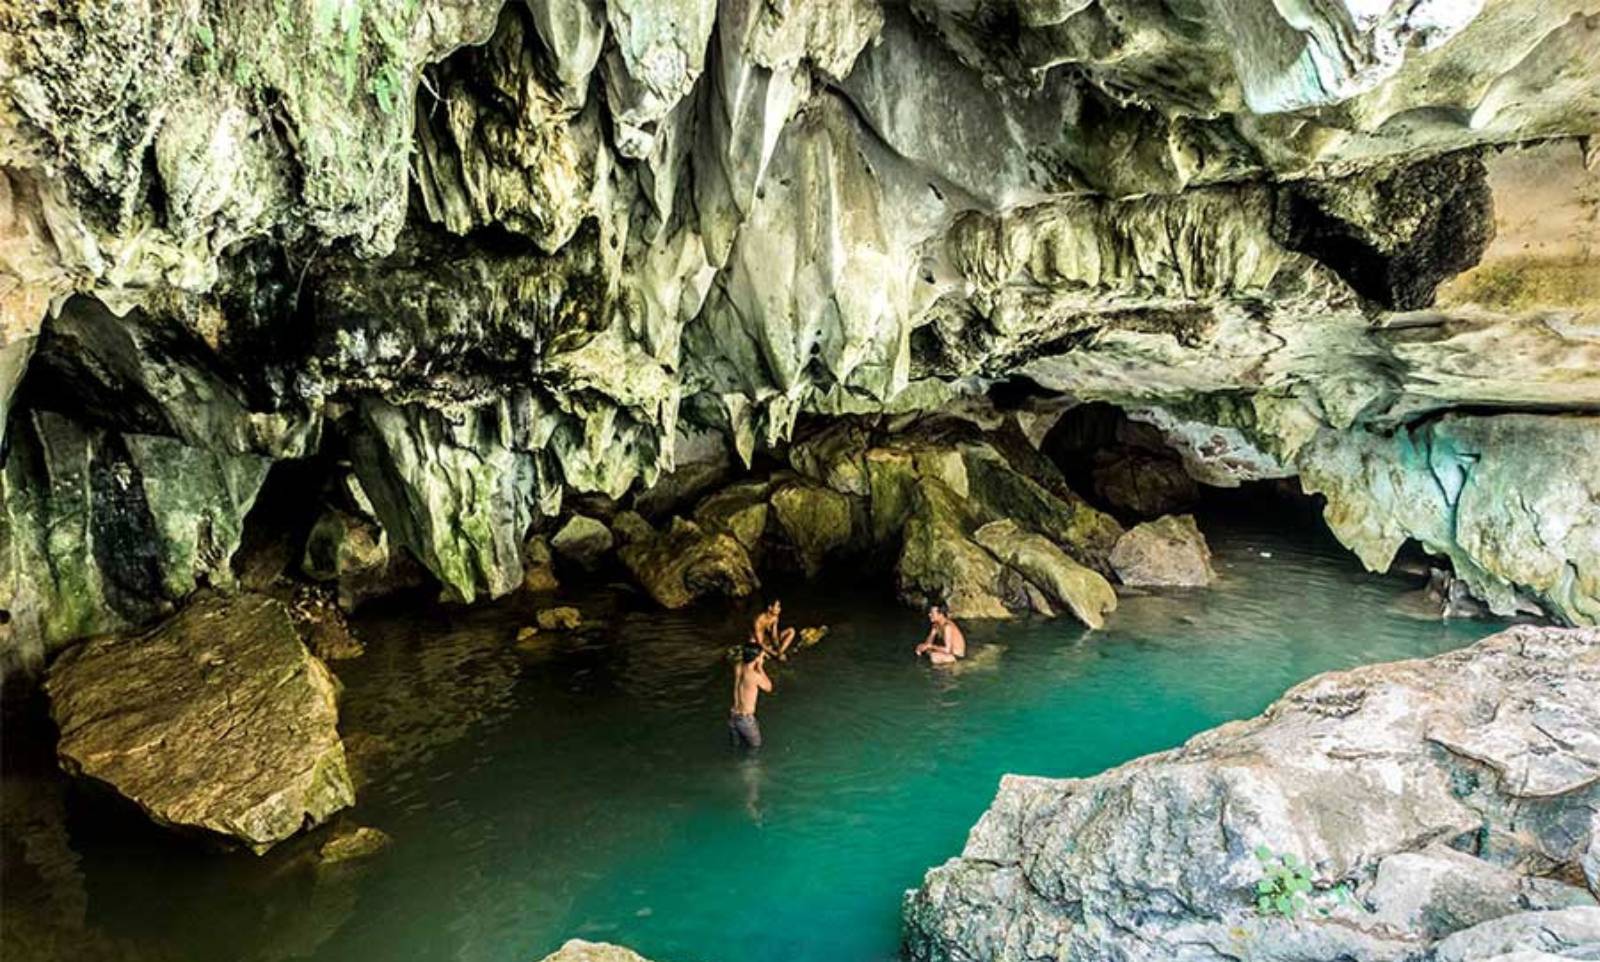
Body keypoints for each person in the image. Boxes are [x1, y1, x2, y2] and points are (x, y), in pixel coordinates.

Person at [729, 643, 772, 750]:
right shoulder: (754, 676)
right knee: (755, 748)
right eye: (762, 655)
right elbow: (769, 687)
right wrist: (760, 667)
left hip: (733, 715)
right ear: (756, 658)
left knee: (736, 747)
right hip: (745, 719)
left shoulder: (738, 666)